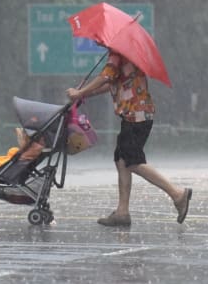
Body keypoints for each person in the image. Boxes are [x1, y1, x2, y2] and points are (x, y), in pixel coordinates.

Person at [66, 51, 192, 226]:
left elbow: (104, 77)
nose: (97, 43)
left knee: (132, 161)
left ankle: (177, 195)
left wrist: (80, 92)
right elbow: (110, 84)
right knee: (121, 159)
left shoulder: (117, 54)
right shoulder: (122, 55)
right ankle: (122, 212)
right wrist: (84, 94)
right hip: (134, 115)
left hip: (137, 115)